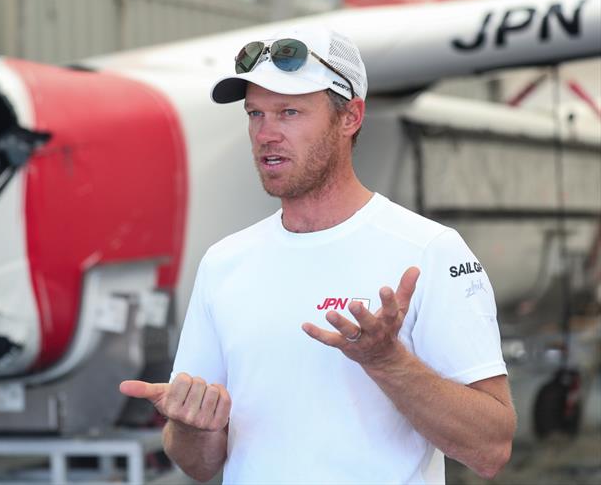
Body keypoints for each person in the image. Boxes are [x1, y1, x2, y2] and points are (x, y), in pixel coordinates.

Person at [120, 26, 516, 484]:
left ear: (350, 117)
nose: (265, 134)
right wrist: (191, 427)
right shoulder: (224, 263)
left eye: (288, 112)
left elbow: (491, 449)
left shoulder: (430, 250)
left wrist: (388, 361)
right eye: (255, 114)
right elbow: (200, 464)